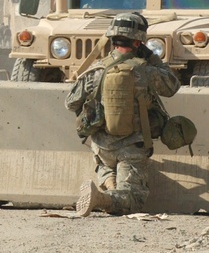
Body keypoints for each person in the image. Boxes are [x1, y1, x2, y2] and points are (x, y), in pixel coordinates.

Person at [65, 13, 180, 216]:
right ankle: (104, 198)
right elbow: (172, 86)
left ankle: (108, 183)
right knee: (133, 200)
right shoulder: (146, 70)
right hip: (132, 149)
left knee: (105, 164)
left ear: (112, 39)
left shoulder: (96, 69)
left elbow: (71, 102)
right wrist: (152, 57)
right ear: (139, 42)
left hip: (101, 149)